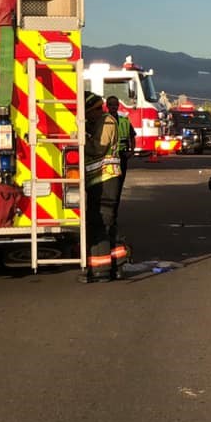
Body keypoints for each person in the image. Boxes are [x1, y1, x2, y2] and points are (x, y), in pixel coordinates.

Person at [81, 92, 127, 283]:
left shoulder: (106, 121)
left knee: (101, 222)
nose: (87, 117)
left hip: (106, 179)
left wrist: (80, 140)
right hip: (100, 179)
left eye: (88, 113)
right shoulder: (100, 122)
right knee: (105, 223)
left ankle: (102, 271)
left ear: (94, 109)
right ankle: (115, 266)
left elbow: (98, 148)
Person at [105, 95, 136, 214]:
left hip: (122, 157)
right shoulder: (103, 121)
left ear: (118, 106)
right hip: (108, 157)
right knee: (110, 186)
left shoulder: (124, 121)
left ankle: (114, 213)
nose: (113, 107)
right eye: (111, 104)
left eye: (115, 104)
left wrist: (131, 151)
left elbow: (132, 136)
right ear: (107, 106)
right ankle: (109, 213)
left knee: (118, 186)